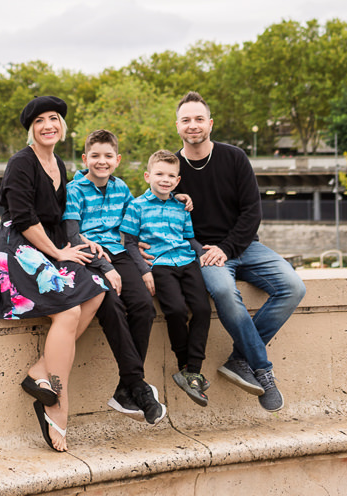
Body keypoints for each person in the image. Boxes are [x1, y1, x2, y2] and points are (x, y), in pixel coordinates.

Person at [0, 95, 107, 452]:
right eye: (39, 121)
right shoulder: (21, 163)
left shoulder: (59, 163)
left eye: (53, 119)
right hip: (16, 251)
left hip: (46, 248)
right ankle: (58, 404)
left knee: (96, 288)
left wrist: (84, 244)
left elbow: (64, 214)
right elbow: (23, 219)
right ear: (31, 130)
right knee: (67, 311)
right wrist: (58, 253)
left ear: (61, 126)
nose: (48, 125)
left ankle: (40, 372)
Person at [173, 91, 306, 412]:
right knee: (223, 290)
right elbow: (164, 221)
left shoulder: (234, 157)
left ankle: (239, 359)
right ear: (177, 126)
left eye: (199, 119)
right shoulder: (170, 167)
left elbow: (252, 211)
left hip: (244, 246)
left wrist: (227, 247)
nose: (193, 125)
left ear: (210, 123)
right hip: (202, 251)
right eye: (186, 120)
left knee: (293, 287)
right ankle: (262, 369)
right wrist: (203, 249)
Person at [62, 129, 166, 424]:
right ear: (85, 158)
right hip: (87, 257)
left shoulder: (121, 189)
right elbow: (71, 234)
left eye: (108, 156)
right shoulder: (75, 190)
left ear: (117, 160)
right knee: (112, 306)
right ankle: (137, 385)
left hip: (119, 254)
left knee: (144, 306)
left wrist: (175, 197)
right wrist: (104, 266)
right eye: (95, 156)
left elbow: (140, 216)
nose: (102, 161)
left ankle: (126, 387)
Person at [121, 149, 212, 407]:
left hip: (186, 261)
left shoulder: (181, 205)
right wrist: (144, 270)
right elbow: (130, 243)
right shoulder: (136, 206)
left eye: (171, 175)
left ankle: (193, 369)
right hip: (159, 264)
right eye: (160, 174)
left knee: (203, 309)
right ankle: (185, 365)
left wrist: (202, 254)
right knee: (175, 310)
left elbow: (190, 237)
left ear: (178, 180)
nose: (165, 179)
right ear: (148, 175)